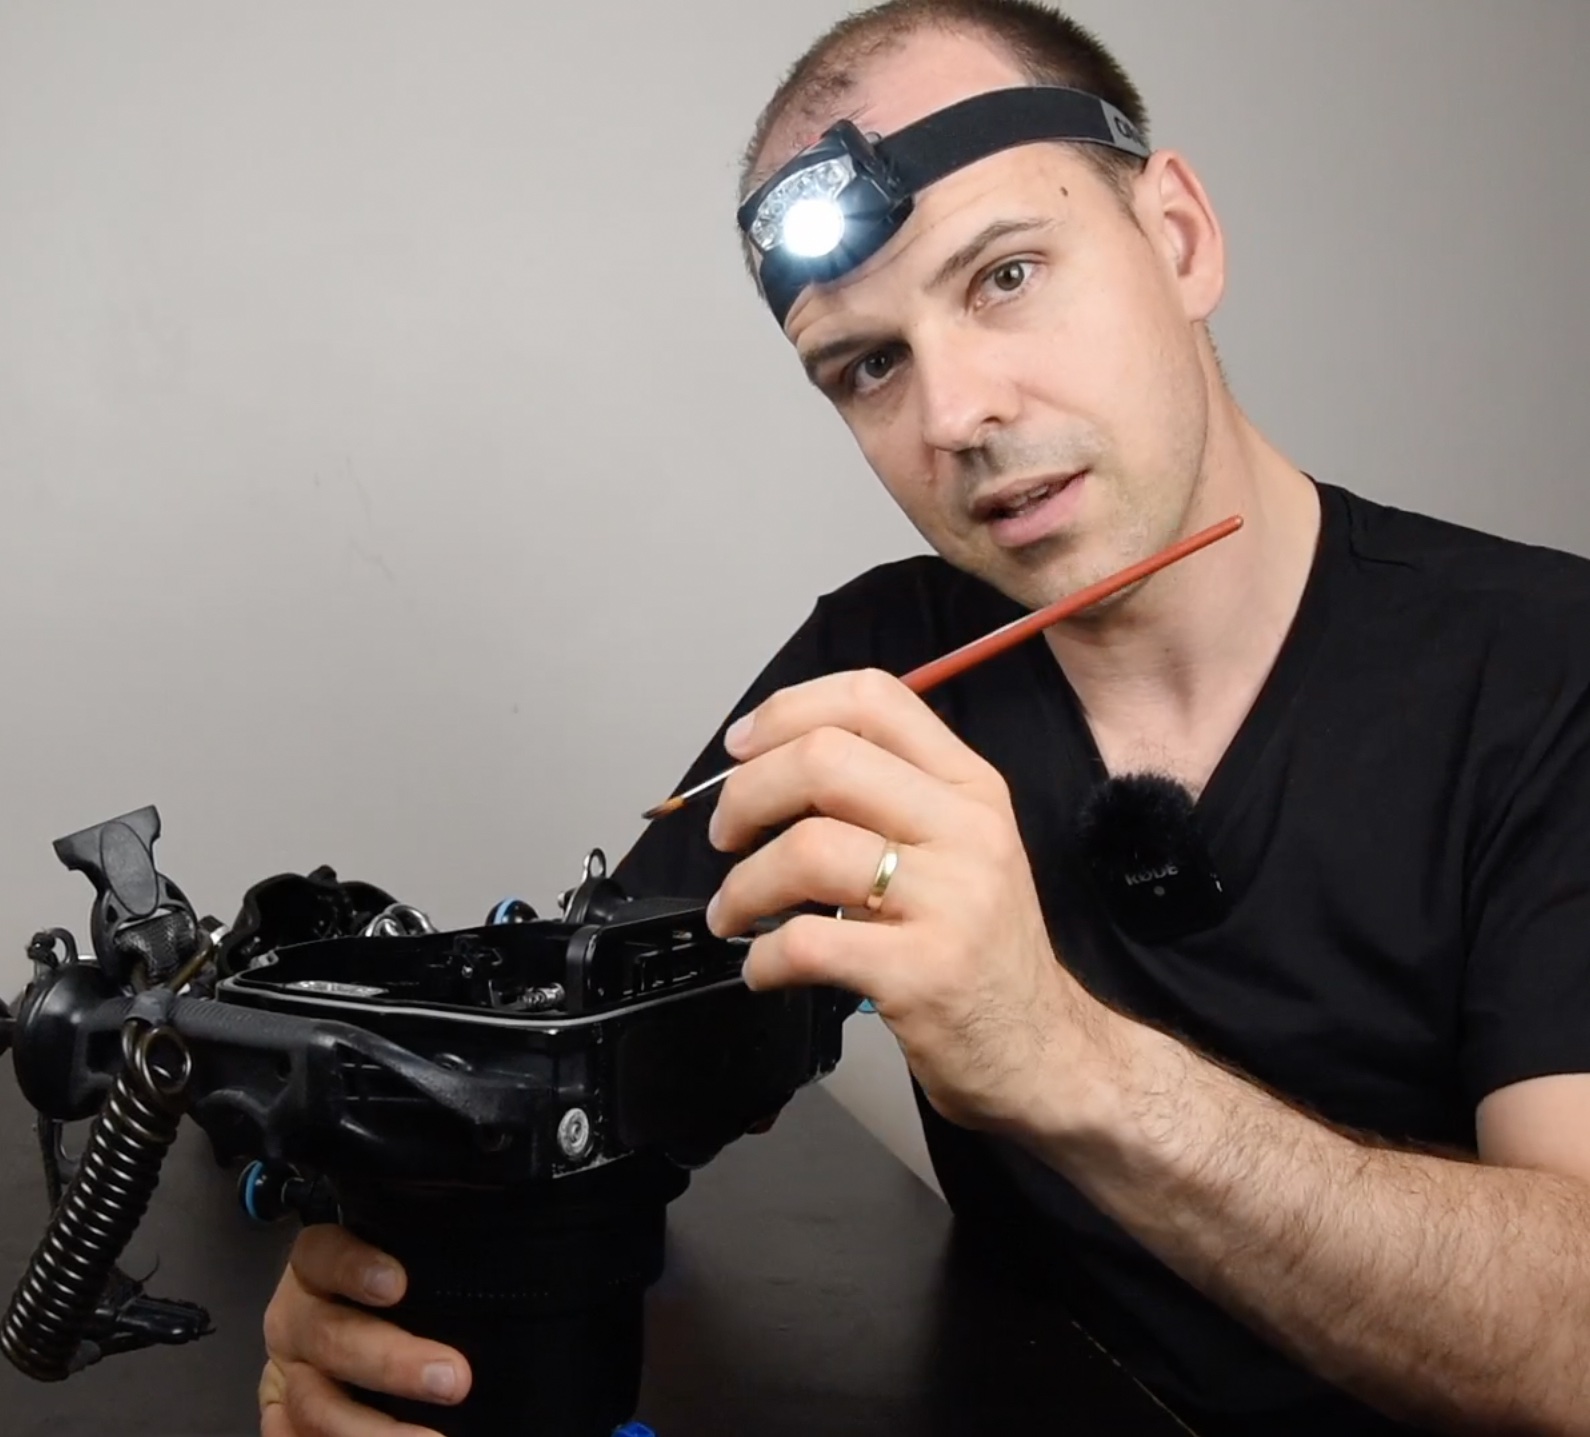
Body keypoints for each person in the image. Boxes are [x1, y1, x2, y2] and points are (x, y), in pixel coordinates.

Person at [257, 3, 1590, 1434]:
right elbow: (595, 1097)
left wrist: (1060, 1058)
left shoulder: (1543, 670)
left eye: (1004, 274)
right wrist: (399, 1285)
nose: (953, 411)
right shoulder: (880, 670)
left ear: (1179, 238)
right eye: (867, 366)